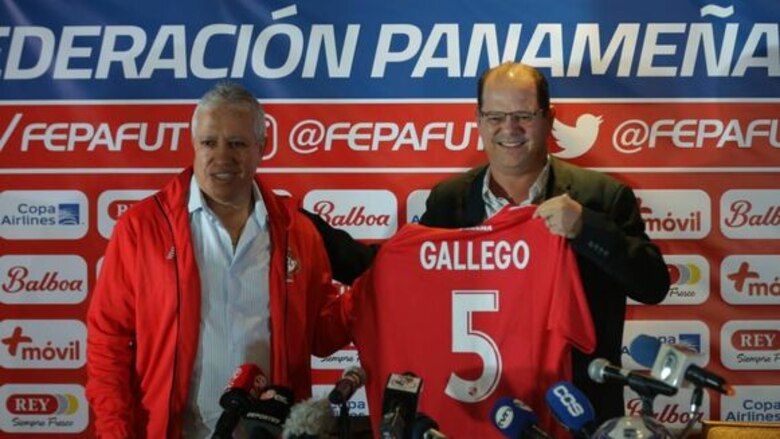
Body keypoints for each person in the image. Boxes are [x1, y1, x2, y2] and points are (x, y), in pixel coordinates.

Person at [306, 62, 670, 425]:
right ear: (478, 119)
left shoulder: (602, 197)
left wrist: (586, 229)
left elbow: (653, 284)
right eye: (495, 116)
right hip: (479, 417)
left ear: (549, 117)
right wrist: (300, 223)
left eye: (523, 115)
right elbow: (387, 272)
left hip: (576, 416)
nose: (509, 129)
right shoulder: (449, 201)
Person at [86, 82, 352, 438]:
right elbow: (108, 343)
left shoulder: (298, 232)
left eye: (238, 144)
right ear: (193, 145)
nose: (222, 158)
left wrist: (371, 291)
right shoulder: (141, 229)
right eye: (209, 142)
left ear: (262, 147)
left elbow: (321, 335)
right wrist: (116, 433)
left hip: (269, 431)